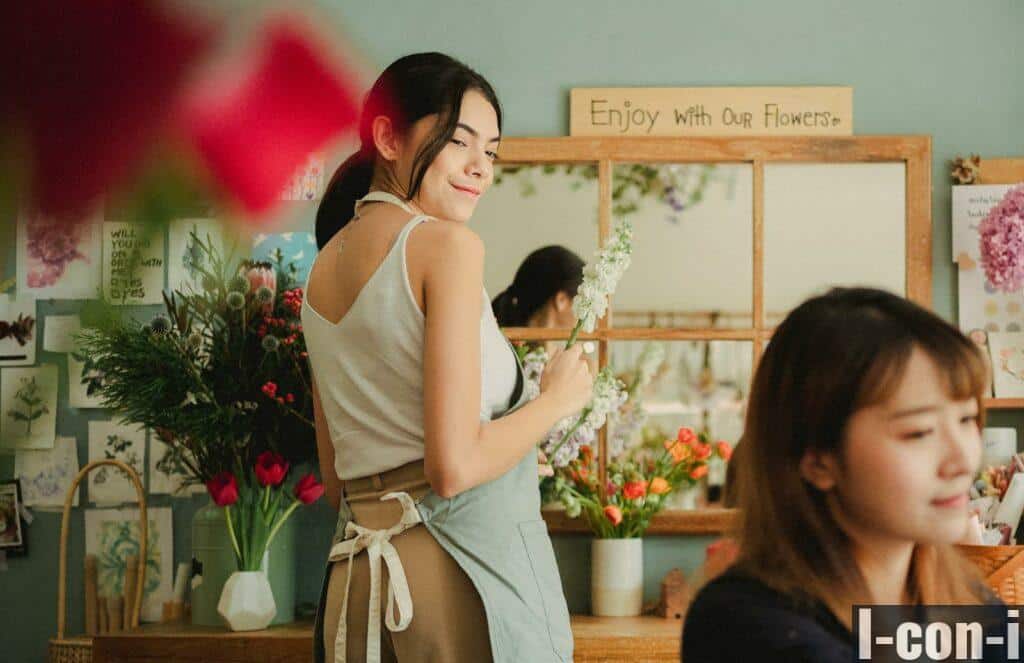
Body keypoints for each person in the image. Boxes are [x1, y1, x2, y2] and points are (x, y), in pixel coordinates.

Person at [302, 52, 592, 663]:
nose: (479, 168)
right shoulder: (447, 249)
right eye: (460, 141)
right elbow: (452, 468)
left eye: (491, 152)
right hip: (462, 580)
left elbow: (335, 480)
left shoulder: (321, 273)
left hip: (358, 594)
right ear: (387, 136)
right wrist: (557, 401)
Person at [682, 287, 991, 662]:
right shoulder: (742, 624)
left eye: (967, 419)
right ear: (818, 461)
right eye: (919, 432)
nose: (962, 460)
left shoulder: (967, 598)